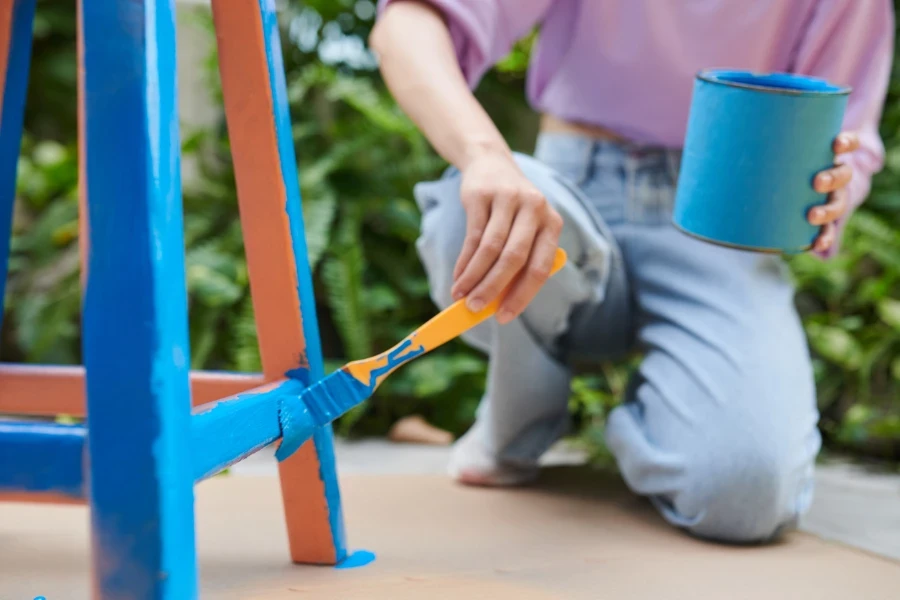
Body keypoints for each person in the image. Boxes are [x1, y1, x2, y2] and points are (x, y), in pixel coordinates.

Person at [369, 0, 893, 543]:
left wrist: (828, 189)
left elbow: (845, 134)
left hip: (724, 218)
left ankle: (648, 416)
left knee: (745, 494)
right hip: (574, 185)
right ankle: (522, 406)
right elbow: (407, 25)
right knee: (478, 212)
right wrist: (483, 156)